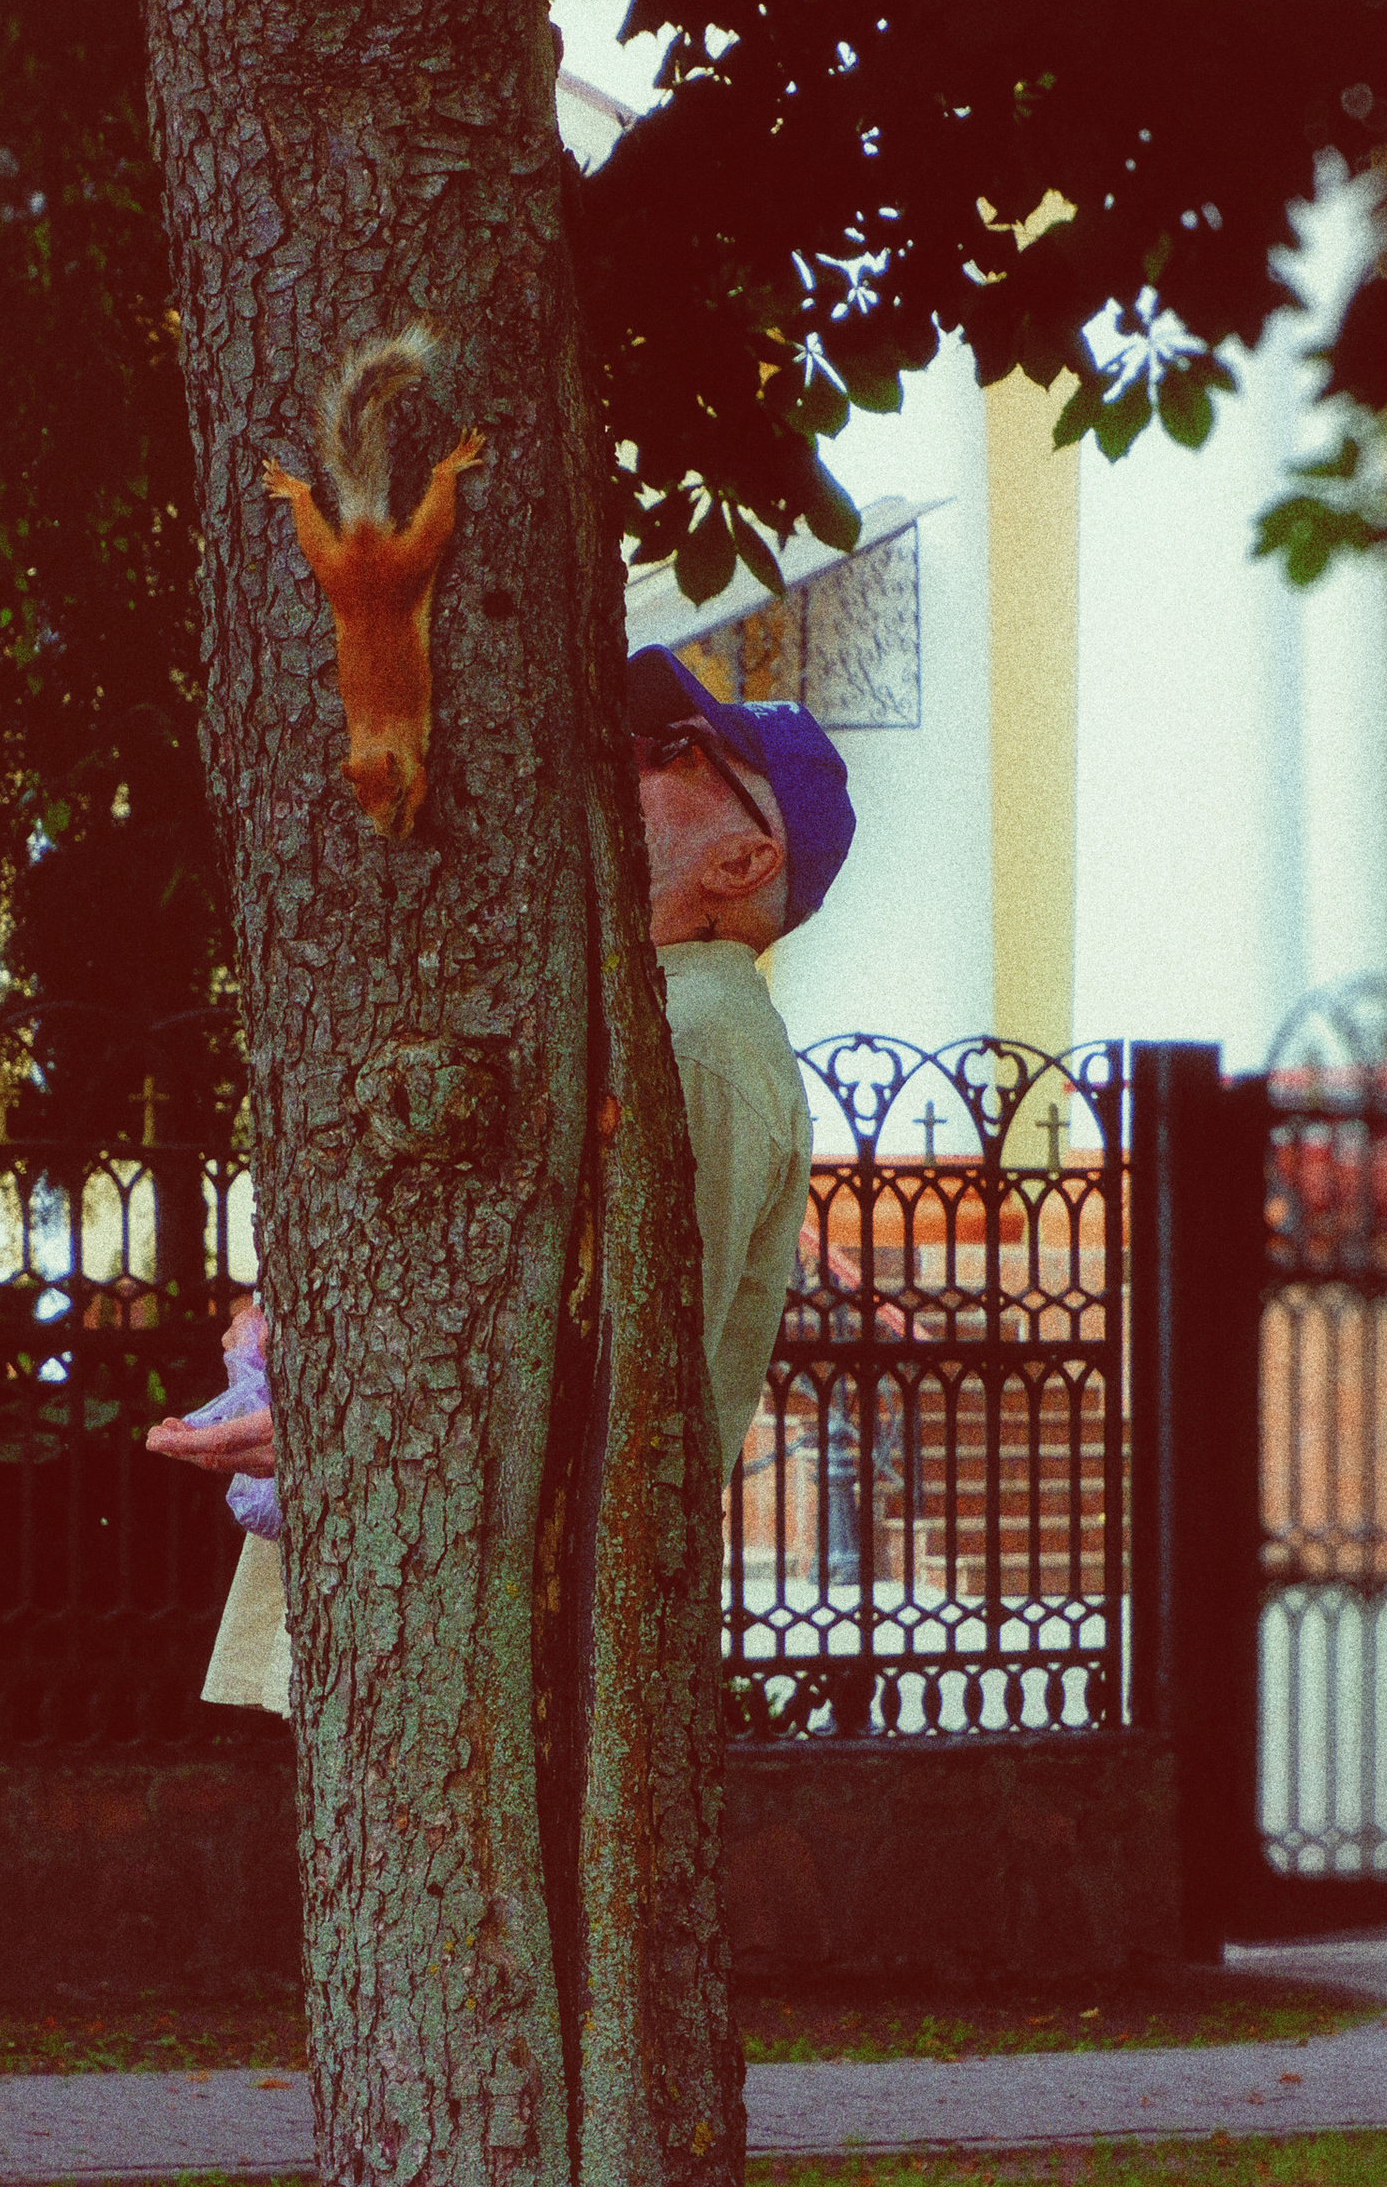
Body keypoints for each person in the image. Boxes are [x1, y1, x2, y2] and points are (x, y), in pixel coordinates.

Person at [148, 650, 856, 1711]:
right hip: (441, 1588)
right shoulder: (624, 1012)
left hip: (496, 1625)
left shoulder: (695, 1047)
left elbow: (626, 1375)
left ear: (742, 863)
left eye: (676, 754)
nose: (620, 758)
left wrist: (347, 1427)